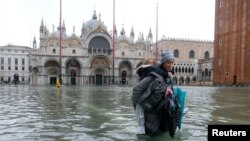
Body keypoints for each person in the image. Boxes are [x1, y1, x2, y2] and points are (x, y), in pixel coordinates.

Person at [132, 50, 177, 136]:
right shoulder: (154, 75)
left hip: (159, 113)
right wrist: (136, 107)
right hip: (149, 114)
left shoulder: (166, 76)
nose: (170, 65)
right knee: (150, 135)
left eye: (172, 62)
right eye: (168, 62)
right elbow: (136, 90)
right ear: (163, 62)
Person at [134, 57, 156, 134]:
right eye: (149, 64)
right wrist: (135, 104)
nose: (151, 66)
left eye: (153, 64)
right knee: (141, 125)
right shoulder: (147, 76)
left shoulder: (154, 74)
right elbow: (137, 90)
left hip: (151, 103)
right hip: (142, 102)